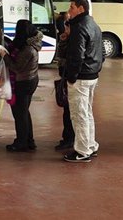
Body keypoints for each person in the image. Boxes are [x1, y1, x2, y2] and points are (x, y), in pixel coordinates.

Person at [62, 0, 103, 163]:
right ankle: (90, 145)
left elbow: (76, 56)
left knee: (79, 115)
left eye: (72, 7)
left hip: (81, 77)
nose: (69, 11)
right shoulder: (94, 24)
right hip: (92, 75)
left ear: (81, 8)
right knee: (86, 113)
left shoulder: (79, 27)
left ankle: (82, 150)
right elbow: (101, 52)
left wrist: (71, 76)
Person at [1, 20, 42, 152]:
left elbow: (16, 67)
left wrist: (5, 56)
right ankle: (29, 140)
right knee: (24, 111)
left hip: (24, 83)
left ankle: (21, 142)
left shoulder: (28, 49)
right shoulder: (28, 44)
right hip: (29, 80)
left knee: (20, 113)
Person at [55, 15, 75, 151]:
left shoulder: (78, 39)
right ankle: (67, 137)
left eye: (67, 27)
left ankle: (70, 139)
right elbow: (60, 56)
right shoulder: (67, 39)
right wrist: (63, 41)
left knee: (71, 112)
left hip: (72, 78)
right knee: (67, 111)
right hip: (66, 77)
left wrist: (72, 75)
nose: (65, 29)